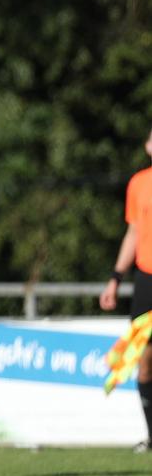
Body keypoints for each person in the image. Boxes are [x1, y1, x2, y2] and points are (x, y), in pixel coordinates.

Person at [99, 128, 152, 453]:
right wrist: (116, 277)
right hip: (146, 278)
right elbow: (133, 233)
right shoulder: (139, 183)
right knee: (145, 360)